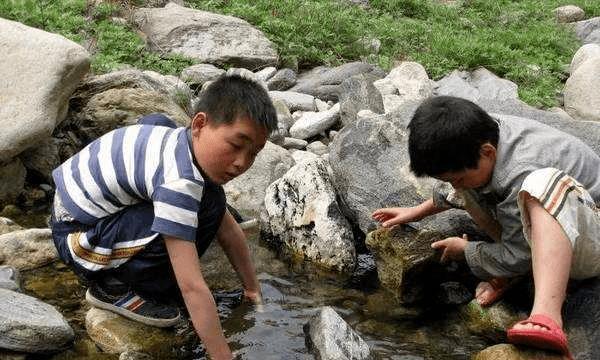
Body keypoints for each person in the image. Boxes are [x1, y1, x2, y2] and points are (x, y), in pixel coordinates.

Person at [51, 70, 277, 360]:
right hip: (76, 234)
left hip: (88, 210)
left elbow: (229, 231)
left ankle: (136, 275)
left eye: (254, 153)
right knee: (190, 211)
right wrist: (224, 356)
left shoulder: (183, 146)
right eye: (235, 145)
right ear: (199, 124)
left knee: (211, 201)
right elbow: (193, 286)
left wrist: (251, 289)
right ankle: (112, 288)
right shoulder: (180, 182)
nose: (241, 163)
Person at [372, 96, 600, 357]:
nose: (455, 186)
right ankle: (511, 272)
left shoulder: (523, 168)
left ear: (488, 152)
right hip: (556, 229)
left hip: (589, 239)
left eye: (456, 178)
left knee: (540, 185)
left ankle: (546, 315)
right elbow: (459, 184)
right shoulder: (479, 135)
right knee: (471, 188)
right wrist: (417, 212)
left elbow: (520, 255)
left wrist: (469, 250)